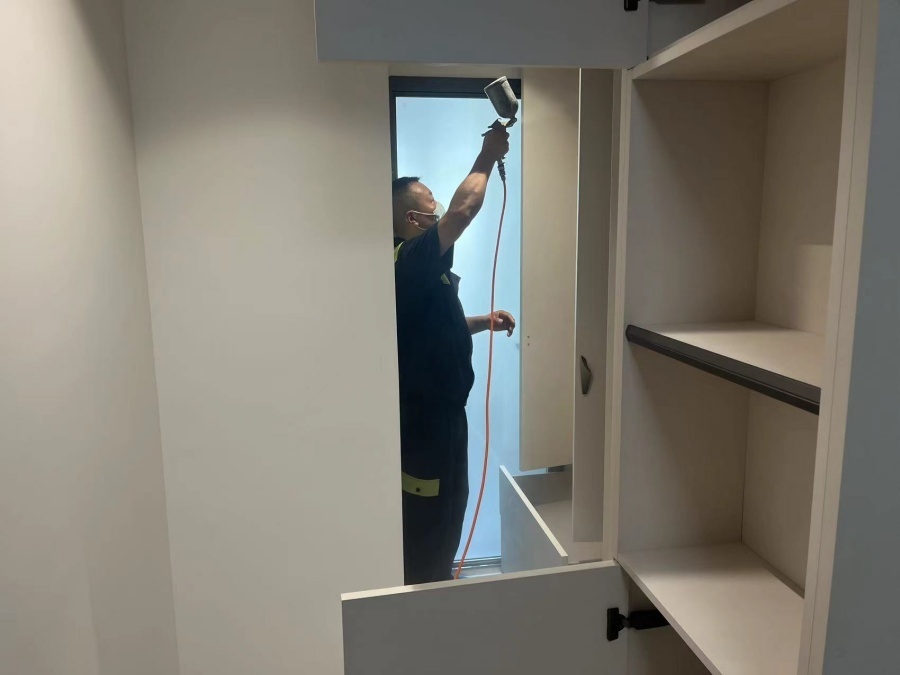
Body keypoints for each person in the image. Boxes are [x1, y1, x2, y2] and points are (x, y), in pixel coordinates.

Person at [391, 126, 516, 584]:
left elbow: (433, 328)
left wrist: (483, 321)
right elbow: (464, 210)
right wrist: (487, 154)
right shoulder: (407, 260)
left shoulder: (429, 270)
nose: (439, 205)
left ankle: (440, 583)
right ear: (412, 218)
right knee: (430, 527)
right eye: (430, 200)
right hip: (425, 430)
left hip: (446, 424)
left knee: (451, 513)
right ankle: (425, 597)